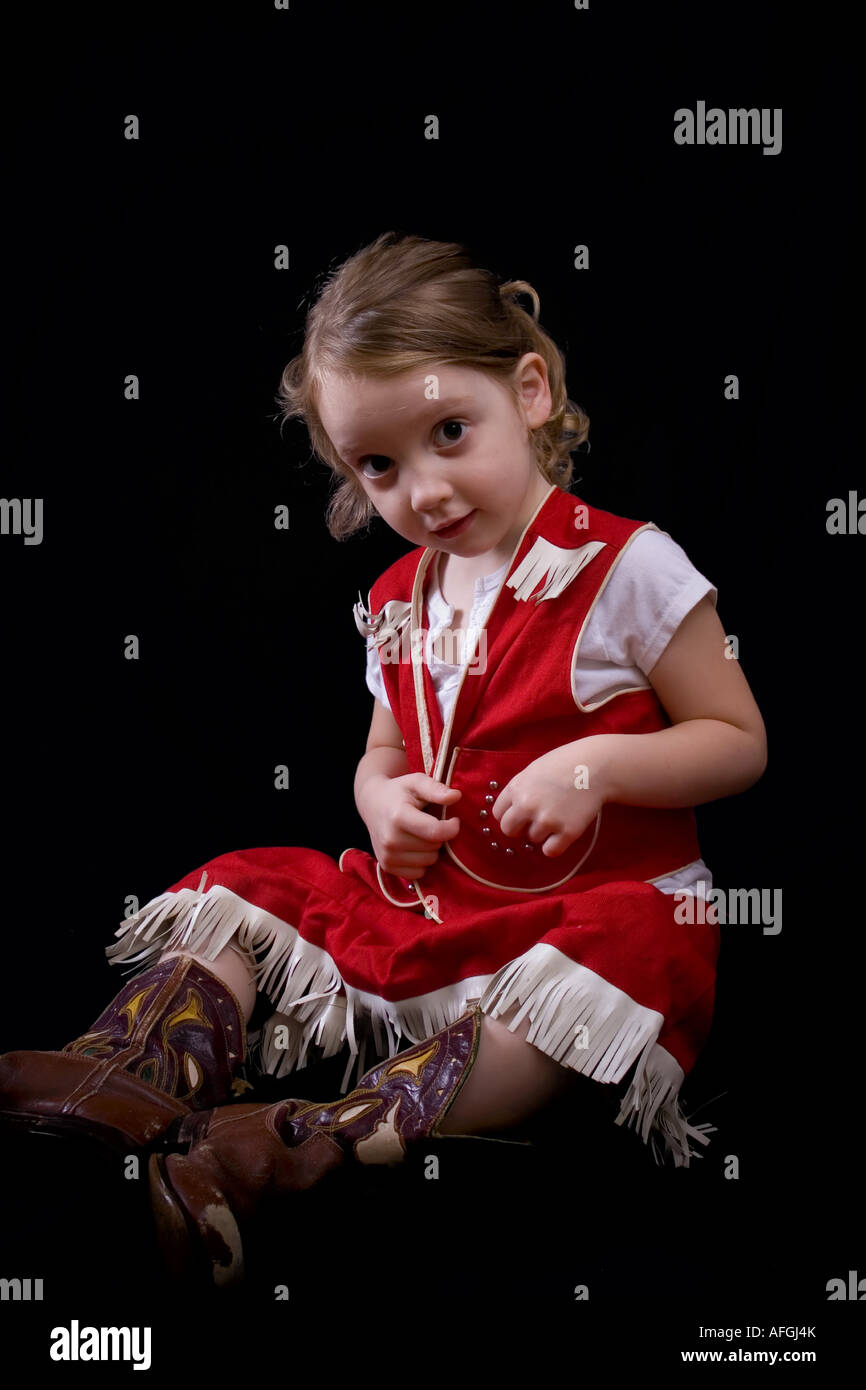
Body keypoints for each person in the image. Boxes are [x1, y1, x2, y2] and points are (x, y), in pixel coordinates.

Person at [0, 231, 767, 1288]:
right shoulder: (400, 597)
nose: (427, 487)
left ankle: (288, 1144)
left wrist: (593, 766)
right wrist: (377, 797)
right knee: (251, 881)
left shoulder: (628, 565)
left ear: (530, 391)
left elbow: (737, 740)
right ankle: (120, 1087)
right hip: (439, 903)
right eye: (380, 465)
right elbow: (384, 749)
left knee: (619, 947)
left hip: (586, 915)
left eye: (451, 432)